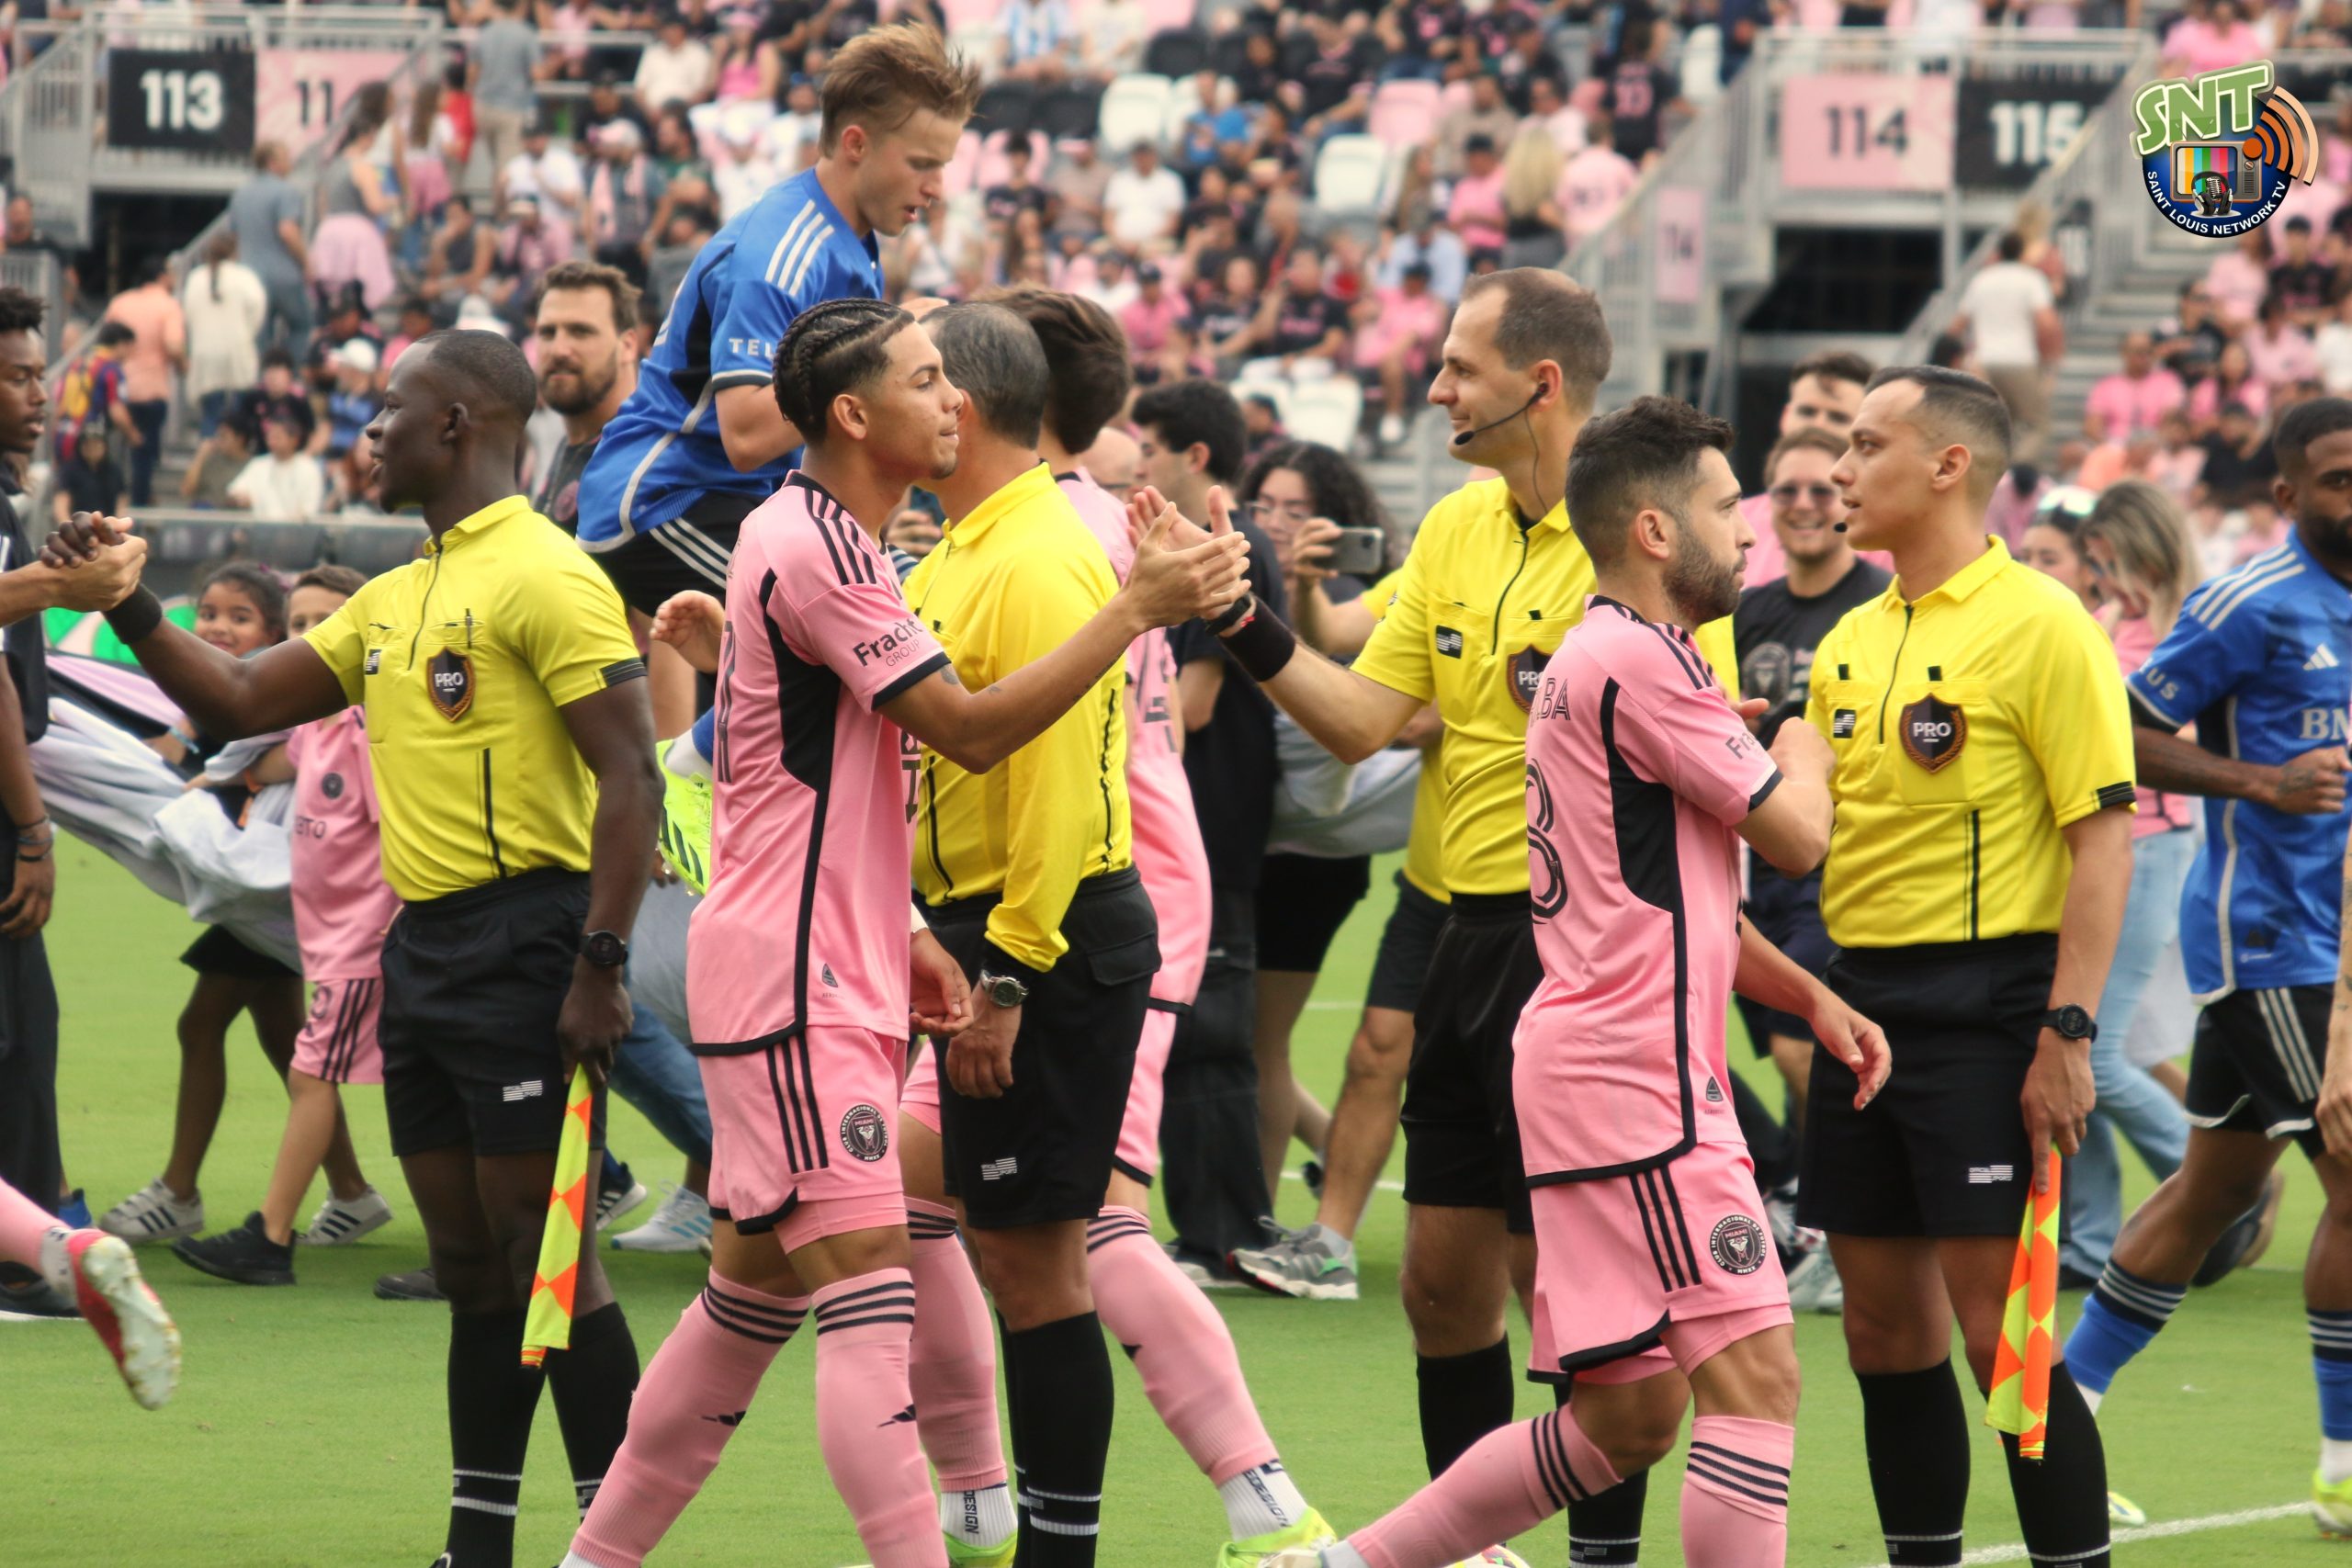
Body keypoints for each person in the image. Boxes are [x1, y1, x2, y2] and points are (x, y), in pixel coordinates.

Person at [559, 296, 1246, 1568]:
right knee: (874, 1290)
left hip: (830, 959)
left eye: (948, 378)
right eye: (925, 380)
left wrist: (908, 930)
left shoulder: (839, 540)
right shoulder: (821, 543)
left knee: (748, 1299)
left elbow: (836, 766)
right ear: (855, 414)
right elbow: (969, 733)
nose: (951, 401)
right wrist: (1133, 609)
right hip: (795, 976)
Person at [1151, 270, 1742, 1566]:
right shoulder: (1457, 527)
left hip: (1584, 957)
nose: (1434, 389)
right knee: (1438, 1287)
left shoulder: (1648, 541)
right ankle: (1472, 1553)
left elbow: (1707, 782)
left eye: (1460, 367)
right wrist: (1236, 612)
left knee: (1581, 1306)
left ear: (1541, 382)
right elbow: (1361, 719)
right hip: (1459, 930)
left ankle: (1598, 1558)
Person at [54, 328, 662, 1568]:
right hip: (422, 946)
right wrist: (127, 601)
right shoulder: (397, 593)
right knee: (469, 1264)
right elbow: (234, 699)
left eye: (392, 410)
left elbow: (632, 776)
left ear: (457, 425)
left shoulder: (548, 575)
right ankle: (477, 1544)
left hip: (531, 940)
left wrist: (600, 963)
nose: (369, 432)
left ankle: (617, 1542)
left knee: (548, 1258)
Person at [1269, 395, 1889, 1568]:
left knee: (1628, 1416)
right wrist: (1801, 747)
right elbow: (1798, 836)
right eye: (1726, 508)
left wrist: (1809, 995)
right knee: (1756, 1381)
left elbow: (1672, 901)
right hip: (1636, 1083)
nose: (1747, 532)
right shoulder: (1635, 661)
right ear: (1654, 531)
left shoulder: (1615, 660)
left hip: (1604, 1065)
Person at [1795, 367, 2133, 1568]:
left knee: (2007, 1342)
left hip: (1990, 1012)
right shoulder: (1849, 637)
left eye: (1864, 445)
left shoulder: (2043, 621)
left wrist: (2067, 1032)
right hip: (1859, 1008)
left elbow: (2103, 838)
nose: (1839, 471)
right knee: (1883, 1336)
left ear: (1949, 465)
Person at [901, 301, 1179, 1565]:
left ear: (956, 408)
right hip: (992, 926)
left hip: (1042, 932)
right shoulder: (962, 549)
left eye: (914, 377)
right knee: (1014, 1258)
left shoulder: (1036, 556)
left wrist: (1006, 976)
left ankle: (1058, 1542)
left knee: (1038, 1268)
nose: (895, 399)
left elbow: (1062, 792)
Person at [2064, 398, 2352, 1537]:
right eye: (2335, 478)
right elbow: (2119, 730)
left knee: (2211, 1192)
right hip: (2272, 939)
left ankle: (2057, 1416)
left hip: (2335, 947)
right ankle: (2342, 1470)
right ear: (2284, 495)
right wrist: (2261, 782)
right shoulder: (2250, 602)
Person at [577, 23, 982, 615]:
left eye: (942, 166)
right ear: (856, 143)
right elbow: (745, 437)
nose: (937, 187)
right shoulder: (779, 252)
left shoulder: (853, 242)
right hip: (668, 503)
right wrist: (877, 347)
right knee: (870, 621)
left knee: (935, 598)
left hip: (757, 503)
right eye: (923, 163)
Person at [167, 567, 398, 1284]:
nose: (309, 638)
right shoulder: (314, 724)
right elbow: (273, 762)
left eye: (325, 624)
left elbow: (402, 830)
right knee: (377, 1076)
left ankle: (270, 1238)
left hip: (362, 941)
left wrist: (391, 927)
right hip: (324, 941)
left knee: (311, 1072)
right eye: (298, 625)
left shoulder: (370, 728)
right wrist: (215, 782)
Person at [1731, 425, 1893, 1314]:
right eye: (1786, 490)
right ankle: (1805, 1199)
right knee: (1767, 1040)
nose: (1803, 505)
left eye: (1820, 489)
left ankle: (1833, 1220)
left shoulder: (1874, 604)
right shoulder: (1749, 610)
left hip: (1833, 859)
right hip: (1757, 860)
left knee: (1806, 1039)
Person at [1131, 378, 1286, 1281]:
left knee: (1212, 1030)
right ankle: (1208, 1230)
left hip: (1212, 822)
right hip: (1192, 825)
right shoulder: (1200, 545)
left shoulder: (1225, 548)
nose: (1137, 464)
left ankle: (1225, 1236)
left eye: (1150, 448)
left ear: (1194, 456)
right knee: (1194, 1025)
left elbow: (1188, 705)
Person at [2057, 484, 2204, 1294]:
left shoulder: (2188, 626)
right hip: (2102, 846)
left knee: (2098, 1052)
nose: (2103, 574)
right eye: (2097, 559)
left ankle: (2213, 1189)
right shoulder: (2113, 623)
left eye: (2110, 558)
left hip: (2152, 843)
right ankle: (2091, 1239)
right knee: (2076, 1047)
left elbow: (2179, 741)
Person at [1736, 350, 1876, 588]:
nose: (1817, 425)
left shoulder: (1885, 536)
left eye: (1838, 417)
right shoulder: (1735, 521)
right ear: (1785, 417)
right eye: (1807, 412)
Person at [1951, 232, 2062, 466]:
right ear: (2023, 253)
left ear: (1999, 252)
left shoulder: (1982, 279)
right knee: (2036, 423)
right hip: (2019, 360)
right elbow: (2047, 323)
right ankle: (2018, 471)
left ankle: (1991, 470)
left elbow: (1957, 326)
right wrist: (2050, 359)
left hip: (1983, 362)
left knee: (1992, 423)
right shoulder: (2031, 279)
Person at [225, 142, 312, 351]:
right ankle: (290, 366)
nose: (290, 163)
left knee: (259, 334)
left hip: (249, 275)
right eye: (286, 158)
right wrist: (306, 263)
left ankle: (263, 369)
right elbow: (288, 230)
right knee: (303, 326)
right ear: (272, 163)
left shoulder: (241, 193)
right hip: (282, 274)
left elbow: (233, 237)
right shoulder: (285, 191)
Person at [183, 234, 266, 439]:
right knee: (239, 416)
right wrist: (247, 333)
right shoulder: (245, 277)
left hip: (205, 354)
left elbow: (187, 314)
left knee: (211, 414)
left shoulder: (195, 278)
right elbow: (258, 310)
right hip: (238, 351)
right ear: (235, 252)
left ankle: (209, 452)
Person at [224, 413, 329, 522]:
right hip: (261, 528)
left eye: (277, 437)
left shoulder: (309, 468)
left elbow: (309, 511)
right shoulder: (258, 464)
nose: (272, 441)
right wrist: (241, 499)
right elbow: (235, 492)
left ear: (294, 439)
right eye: (270, 436)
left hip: (296, 529)